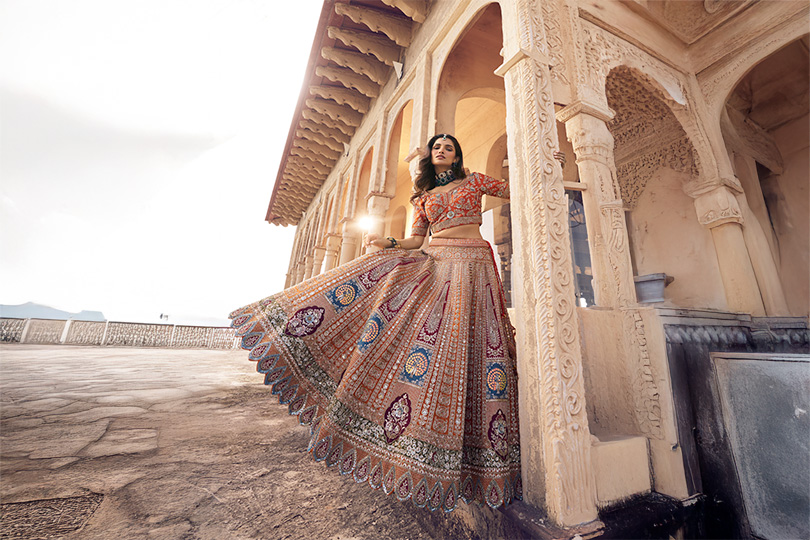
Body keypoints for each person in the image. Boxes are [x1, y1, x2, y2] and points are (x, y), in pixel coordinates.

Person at [230, 134, 525, 512]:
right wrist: (387, 242)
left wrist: (546, 159)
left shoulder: (476, 181)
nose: (442, 150)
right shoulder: (423, 199)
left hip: (475, 265)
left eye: (449, 146)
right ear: (430, 158)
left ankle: (480, 456)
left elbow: (514, 187)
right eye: (437, 147)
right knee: (428, 328)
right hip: (438, 261)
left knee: (477, 344)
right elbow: (416, 241)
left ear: (457, 155)